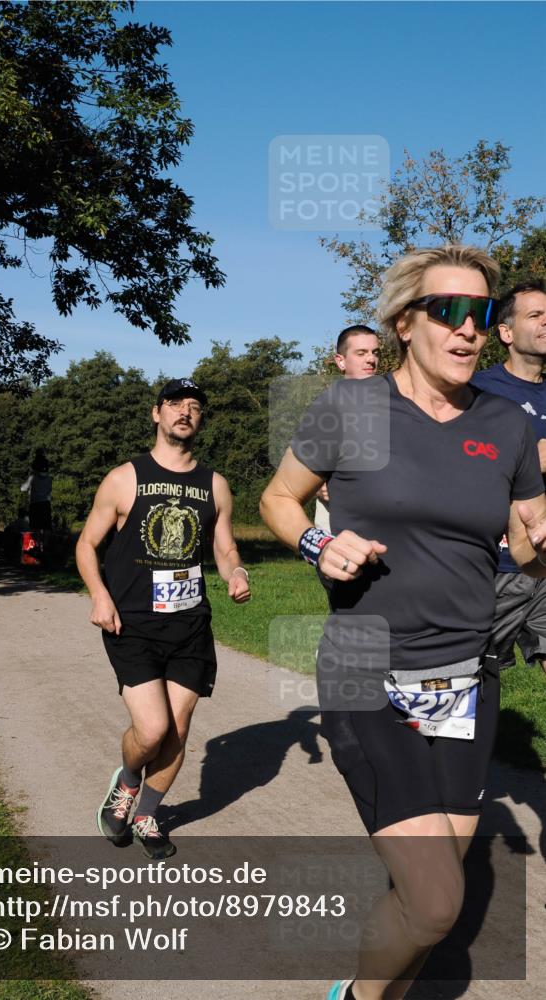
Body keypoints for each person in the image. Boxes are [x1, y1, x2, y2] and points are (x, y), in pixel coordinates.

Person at [260, 245, 546, 1000]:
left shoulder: (506, 425)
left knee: (432, 901)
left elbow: (523, 548)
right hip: (368, 669)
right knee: (436, 901)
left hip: (465, 677)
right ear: (404, 322)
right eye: (448, 311)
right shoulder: (350, 409)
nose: (467, 330)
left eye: (480, 315)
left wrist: (542, 543)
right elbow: (279, 500)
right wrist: (321, 543)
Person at [76, 378, 251, 859]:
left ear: (201, 420)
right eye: (175, 403)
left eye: (195, 406)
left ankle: (149, 813)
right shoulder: (124, 478)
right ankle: (128, 780)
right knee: (152, 731)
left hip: (190, 623)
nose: (185, 412)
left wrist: (235, 571)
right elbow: (86, 544)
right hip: (131, 623)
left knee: (178, 725)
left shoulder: (215, 485)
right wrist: (99, 595)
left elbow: (224, 546)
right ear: (157, 414)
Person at [471, 280, 546, 675]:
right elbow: (452, 464)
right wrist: (532, 458)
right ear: (505, 332)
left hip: (545, 564)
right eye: (536, 315)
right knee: (478, 675)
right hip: (494, 566)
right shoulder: (478, 391)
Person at [314, 326, 382, 531]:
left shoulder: (394, 404)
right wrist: (316, 485)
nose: (371, 359)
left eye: (375, 353)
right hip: (336, 521)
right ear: (340, 361)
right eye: (361, 353)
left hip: (384, 520)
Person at [21, 448, 52, 552]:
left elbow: (23, 488)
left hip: (35, 503)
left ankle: (38, 546)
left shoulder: (33, 477)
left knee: (36, 527)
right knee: (46, 526)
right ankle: (46, 546)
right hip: (46, 503)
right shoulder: (49, 478)